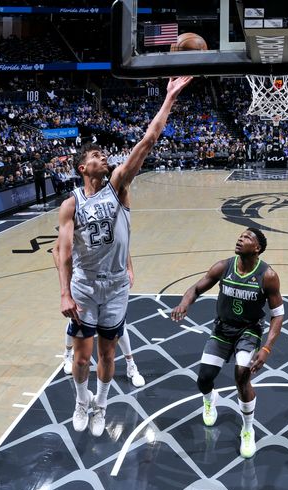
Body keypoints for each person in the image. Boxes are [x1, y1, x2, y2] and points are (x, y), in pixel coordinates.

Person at [57, 75, 192, 437]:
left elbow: (148, 140)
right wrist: (65, 292)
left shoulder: (119, 185)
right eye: (95, 155)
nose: (104, 156)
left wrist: (169, 99)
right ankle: (81, 401)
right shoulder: (71, 203)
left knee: (107, 356)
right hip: (84, 286)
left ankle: (101, 406)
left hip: (116, 286)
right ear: (83, 168)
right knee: (82, 358)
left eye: (104, 154)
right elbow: (63, 251)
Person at [171, 228, 284, 459]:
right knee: (203, 379)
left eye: (247, 238)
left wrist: (266, 348)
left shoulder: (268, 276)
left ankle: (248, 429)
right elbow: (196, 288)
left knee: (242, 375)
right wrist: (185, 303)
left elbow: (278, 314)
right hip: (222, 330)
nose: (241, 239)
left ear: (257, 248)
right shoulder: (223, 267)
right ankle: (210, 399)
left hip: (248, 332)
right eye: (240, 235)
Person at [53, 236, 144, 387]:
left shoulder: (112, 217)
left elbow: (122, 244)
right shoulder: (76, 217)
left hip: (111, 283)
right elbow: (57, 249)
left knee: (120, 327)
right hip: (85, 284)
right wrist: (67, 280)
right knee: (76, 320)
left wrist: (129, 268)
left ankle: (131, 365)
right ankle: (68, 356)